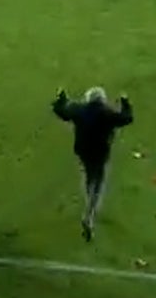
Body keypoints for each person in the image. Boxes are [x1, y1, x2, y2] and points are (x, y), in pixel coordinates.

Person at [52, 86, 133, 240]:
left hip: (83, 151)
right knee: (99, 183)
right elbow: (126, 118)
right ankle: (89, 215)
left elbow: (62, 112)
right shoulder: (107, 113)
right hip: (100, 153)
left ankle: (90, 207)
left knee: (88, 177)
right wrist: (125, 102)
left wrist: (61, 98)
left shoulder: (79, 110)